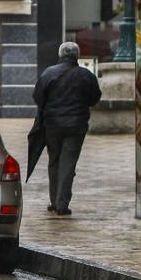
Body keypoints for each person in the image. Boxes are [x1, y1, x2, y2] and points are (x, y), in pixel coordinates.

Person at [32, 41, 102, 216]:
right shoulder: (86, 75)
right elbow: (95, 98)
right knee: (68, 163)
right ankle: (62, 203)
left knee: (54, 161)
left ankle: (54, 201)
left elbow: (38, 97)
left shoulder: (49, 73)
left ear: (60, 54)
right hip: (76, 126)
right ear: (77, 56)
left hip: (52, 125)